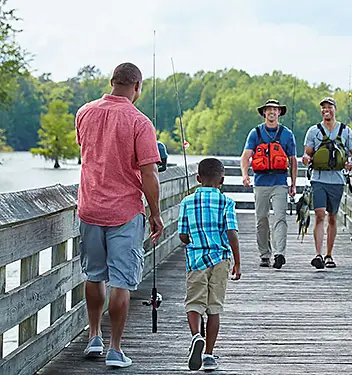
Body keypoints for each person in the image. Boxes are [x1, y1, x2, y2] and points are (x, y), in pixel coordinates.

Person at [75, 62, 164, 368]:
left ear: (112, 81)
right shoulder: (140, 122)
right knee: (121, 282)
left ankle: (94, 336)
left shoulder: (84, 112)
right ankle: (115, 349)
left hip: (89, 208)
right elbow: (149, 173)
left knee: (94, 274)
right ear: (137, 87)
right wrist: (155, 213)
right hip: (124, 211)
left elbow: (88, 153)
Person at [178, 158, 241, 371]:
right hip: (220, 260)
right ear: (221, 180)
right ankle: (208, 355)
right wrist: (237, 263)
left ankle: (197, 336)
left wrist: (193, 238)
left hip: (196, 260)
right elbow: (232, 233)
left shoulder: (187, 202)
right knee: (214, 309)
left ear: (197, 178)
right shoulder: (226, 202)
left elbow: (183, 236)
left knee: (194, 304)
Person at [302, 97, 352, 269]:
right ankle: (318, 254)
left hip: (337, 180)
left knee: (332, 217)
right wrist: (305, 158)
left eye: (329, 107)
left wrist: (351, 163)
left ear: (335, 109)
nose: (326, 110)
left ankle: (329, 255)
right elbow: (308, 153)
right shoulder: (314, 131)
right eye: (323, 108)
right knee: (319, 214)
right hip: (318, 179)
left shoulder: (345, 131)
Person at [240, 99, 297, 269]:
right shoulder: (255, 133)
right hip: (261, 183)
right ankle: (265, 254)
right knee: (262, 220)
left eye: (275, 109)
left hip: (280, 182)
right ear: (264, 112)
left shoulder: (287, 134)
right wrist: (245, 175)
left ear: (280, 113)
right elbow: (245, 156)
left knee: (280, 218)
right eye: (269, 109)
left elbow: (293, 160)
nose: (272, 112)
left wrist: (293, 184)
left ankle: (279, 254)